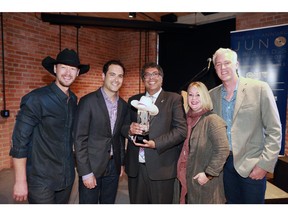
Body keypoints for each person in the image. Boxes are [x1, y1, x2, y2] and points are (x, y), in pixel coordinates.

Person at [9, 48, 90, 204]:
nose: (68, 73)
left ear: (78, 73)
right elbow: (19, 141)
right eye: (63, 67)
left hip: (66, 178)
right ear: (55, 69)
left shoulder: (73, 100)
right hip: (41, 180)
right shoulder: (36, 99)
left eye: (73, 69)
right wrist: (20, 181)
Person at [209, 48, 282, 204]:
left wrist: (264, 165)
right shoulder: (211, 95)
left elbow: (274, 130)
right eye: (218, 64)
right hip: (224, 167)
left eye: (227, 63)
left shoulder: (259, 88)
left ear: (237, 64)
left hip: (252, 164)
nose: (223, 68)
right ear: (214, 68)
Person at [122, 62, 187, 204]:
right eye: (147, 75)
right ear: (143, 79)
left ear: (161, 78)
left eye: (155, 74)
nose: (151, 77)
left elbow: (181, 131)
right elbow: (123, 126)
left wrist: (156, 143)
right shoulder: (134, 100)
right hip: (136, 168)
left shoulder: (173, 99)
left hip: (161, 168)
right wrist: (129, 129)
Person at [73, 60, 128, 204]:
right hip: (92, 166)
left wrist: (121, 163)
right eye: (112, 74)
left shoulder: (123, 105)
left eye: (120, 76)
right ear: (103, 76)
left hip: (113, 167)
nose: (116, 79)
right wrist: (85, 172)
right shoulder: (88, 101)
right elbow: (79, 139)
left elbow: (119, 137)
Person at [175, 81, 229, 204]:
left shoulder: (213, 120)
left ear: (205, 96)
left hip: (204, 182)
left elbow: (223, 150)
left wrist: (208, 174)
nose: (193, 99)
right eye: (190, 95)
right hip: (184, 176)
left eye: (198, 95)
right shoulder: (185, 120)